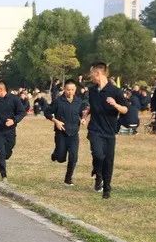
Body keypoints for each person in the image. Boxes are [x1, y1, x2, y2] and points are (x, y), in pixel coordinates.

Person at [85, 62, 128, 198]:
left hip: (109, 131)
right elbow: (92, 107)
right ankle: (98, 174)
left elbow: (125, 109)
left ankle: (106, 188)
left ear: (98, 73)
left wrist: (115, 104)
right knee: (98, 155)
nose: (90, 76)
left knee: (108, 161)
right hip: (94, 129)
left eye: (91, 73)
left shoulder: (115, 91)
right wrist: (86, 114)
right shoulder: (92, 90)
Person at [45, 79, 88, 185]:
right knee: (60, 158)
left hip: (74, 134)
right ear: (64, 89)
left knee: (74, 157)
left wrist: (83, 119)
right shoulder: (58, 101)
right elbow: (47, 112)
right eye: (68, 90)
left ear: (75, 90)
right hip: (61, 133)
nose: (70, 92)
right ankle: (56, 153)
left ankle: (68, 179)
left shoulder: (79, 101)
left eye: (72, 90)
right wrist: (56, 121)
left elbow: (83, 113)